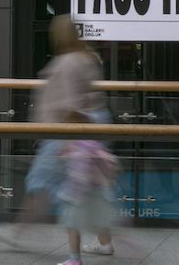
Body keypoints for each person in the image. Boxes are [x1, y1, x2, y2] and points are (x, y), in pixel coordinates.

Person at [0, 15, 114, 255]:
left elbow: (69, 105)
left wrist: (62, 137)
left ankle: (17, 234)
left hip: (64, 133)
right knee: (87, 188)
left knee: (41, 184)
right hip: (85, 131)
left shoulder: (66, 63)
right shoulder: (87, 58)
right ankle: (105, 241)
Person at [55, 110, 118, 265]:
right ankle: (106, 245)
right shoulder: (94, 144)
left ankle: (75, 259)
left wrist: (72, 194)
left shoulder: (78, 147)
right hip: (97, 191)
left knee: (72, 226)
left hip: (78, 195)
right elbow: (109, 162)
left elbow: (78, 173)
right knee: (97, 221)